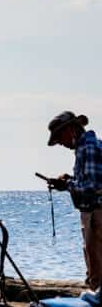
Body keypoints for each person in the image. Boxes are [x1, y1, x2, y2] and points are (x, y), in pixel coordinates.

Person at [45, 111, 102, 290]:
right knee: (94, 267)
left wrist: (66, 184)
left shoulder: (89, 147)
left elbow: (92, 186)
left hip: (97, 214)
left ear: (71, 129)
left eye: (60, 137)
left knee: (97, 272)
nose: (60, 143)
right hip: (91, 214)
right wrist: (69, 180)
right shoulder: (84, 147)